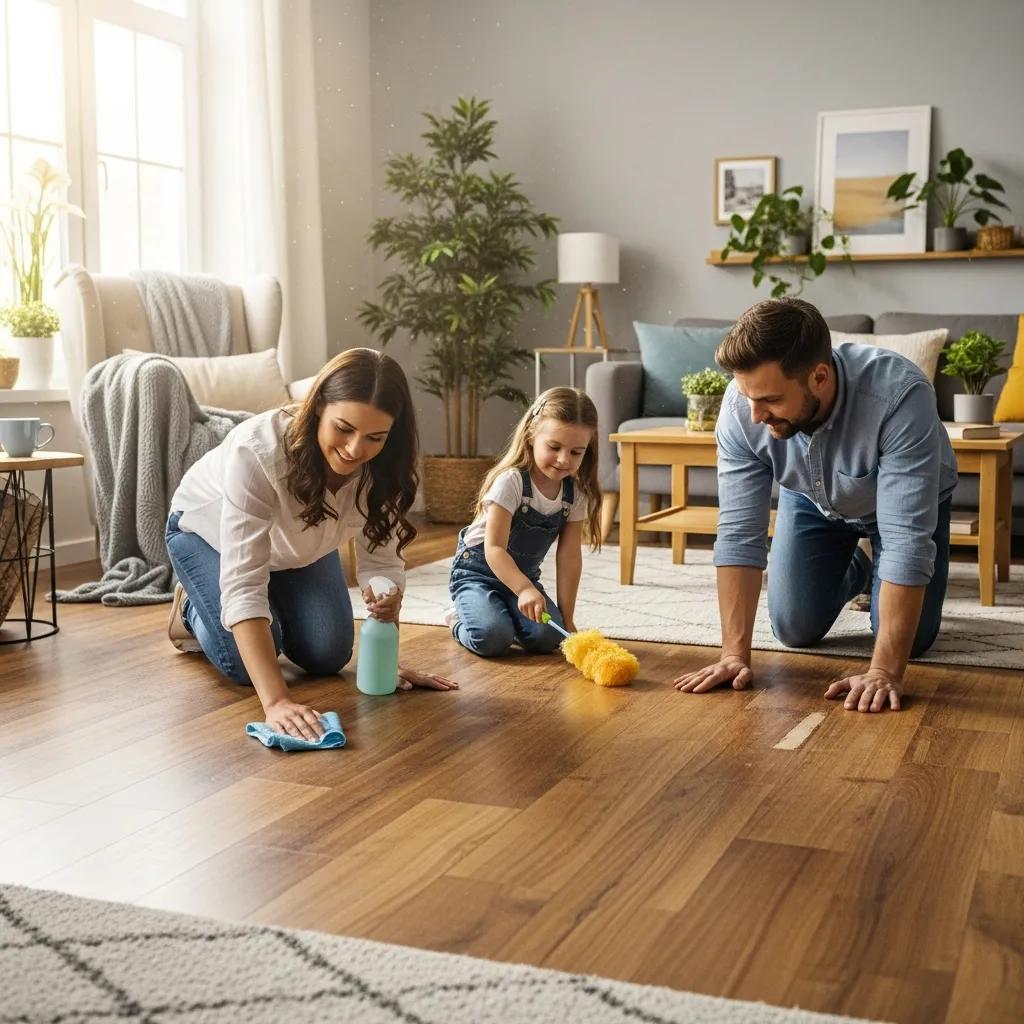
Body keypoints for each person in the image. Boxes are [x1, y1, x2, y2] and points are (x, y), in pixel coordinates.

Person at [673, 298, 957, 713]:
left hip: (906, 508)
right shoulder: (741, 408)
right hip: (814, 498)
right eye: (748, 397)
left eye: (769, 399)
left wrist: (884, 672)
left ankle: (875, 571)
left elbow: (906, 543)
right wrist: (733, 656)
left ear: (819, 377)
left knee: (911, 643)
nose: (754, 416)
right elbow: (738, 532)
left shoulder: (900, 396)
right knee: (793, 628)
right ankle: (862, 569)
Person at [165, 347, 458, 742]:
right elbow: (243, 581)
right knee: (241, 665)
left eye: (375, 437)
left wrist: (383, 645)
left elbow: (382, 562)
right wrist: (277, 702)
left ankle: (267, 608)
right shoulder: (257, 451)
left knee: (328, 655)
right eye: (344, 428)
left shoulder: (385, 467)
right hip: (205, 535)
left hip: (296, 551)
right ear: (318, 406)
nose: (356, 450)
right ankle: (191, 608)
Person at [446, 387, 602, 657]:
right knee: (492, 638)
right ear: (532, 435)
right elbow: (494, 549)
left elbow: (569, 558)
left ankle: (503, 613)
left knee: (549, 638)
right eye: (554, 447)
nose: (564, 459)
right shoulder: (511, 482)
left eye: (576, 452)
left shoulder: (575, 495)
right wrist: (524, 589)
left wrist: (568, 619)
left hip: (523, 580)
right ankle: (457, 619)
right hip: (478, 575)